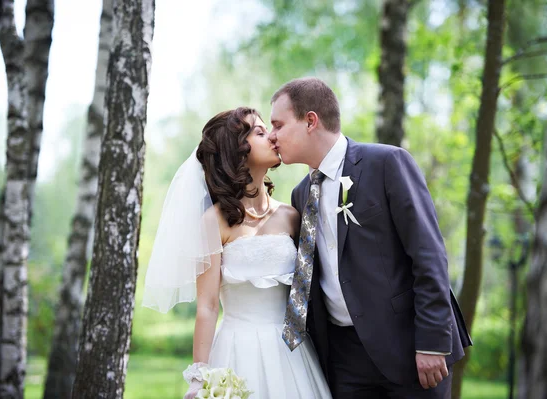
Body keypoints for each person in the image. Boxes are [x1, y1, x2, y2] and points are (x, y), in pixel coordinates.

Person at [269, 77, 472, 398]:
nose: (271, 136)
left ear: (310, 121)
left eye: (278, 125)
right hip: (343, 358)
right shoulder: (301, 194)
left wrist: (432, 342)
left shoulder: (387, 163)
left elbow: (428, 255)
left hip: (408, 347)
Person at [142, 107, 331, 399]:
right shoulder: (214, 221)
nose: (272, 136)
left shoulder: (292, 215)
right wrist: (199, 375)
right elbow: (207, 306)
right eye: (259, 132)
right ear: (237, 151)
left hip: (292, 351)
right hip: (237, 350)